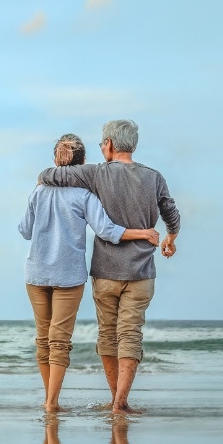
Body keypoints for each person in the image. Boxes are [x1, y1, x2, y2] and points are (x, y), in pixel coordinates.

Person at [38, 120, 181, 415]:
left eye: (103, 143)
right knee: (131, 335)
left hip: (105, 271)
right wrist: (171, 238)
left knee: (108, 335)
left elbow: (49, 175)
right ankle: (120, 403)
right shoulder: (154, 177)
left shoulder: (96, 174)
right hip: (142, 272)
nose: (102, 148)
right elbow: (171, 212)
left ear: (111, 145)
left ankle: (115, 397)